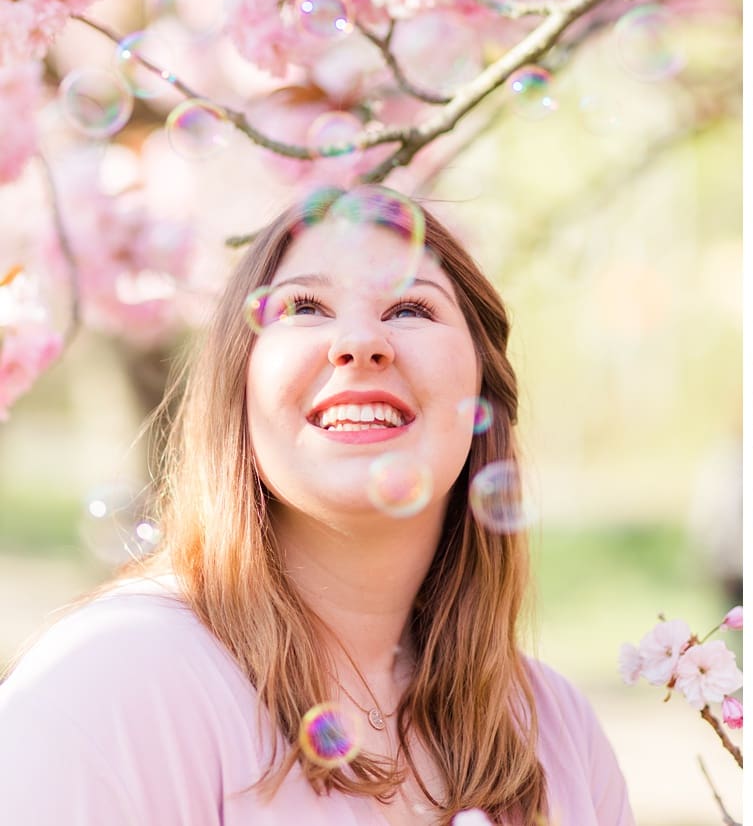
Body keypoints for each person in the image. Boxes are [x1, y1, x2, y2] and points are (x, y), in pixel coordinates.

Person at [0, 186, 636, 826]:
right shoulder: (112, 683)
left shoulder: (557, 735)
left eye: (412, 308)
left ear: (483, 396)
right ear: (236, 385)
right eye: (304, 307)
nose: (359, 343)